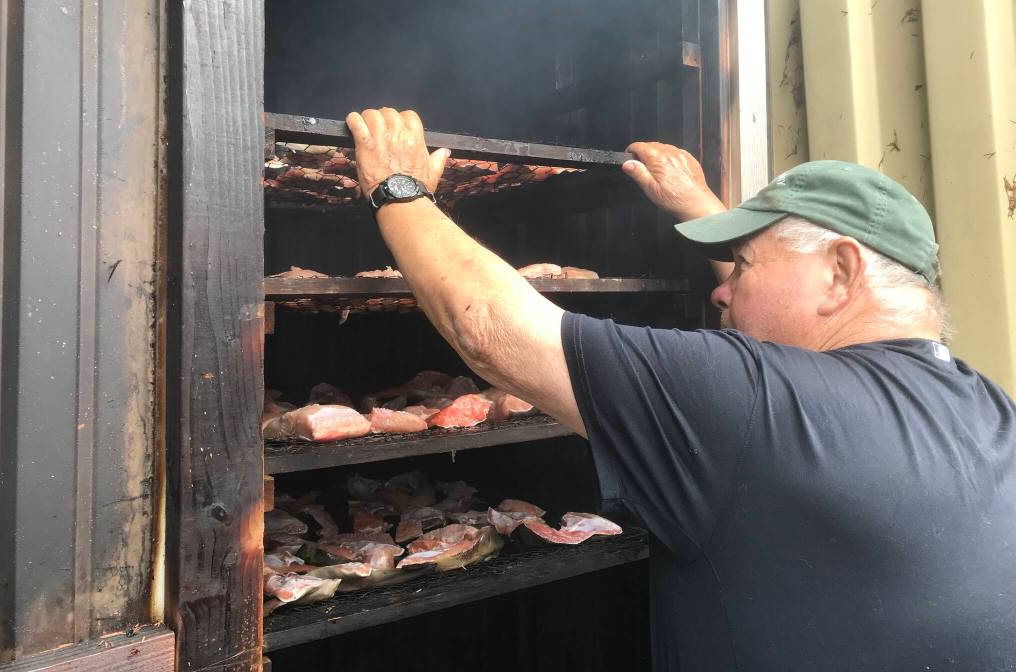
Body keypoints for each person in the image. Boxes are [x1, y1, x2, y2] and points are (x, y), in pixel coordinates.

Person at [345, 107, 1016, 672]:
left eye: (742, 265)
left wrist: (397, 188)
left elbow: (490, 329)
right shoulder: (989, 409)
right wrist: (704, 210)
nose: (722, 291)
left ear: (841, 273)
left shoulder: (756, 402)